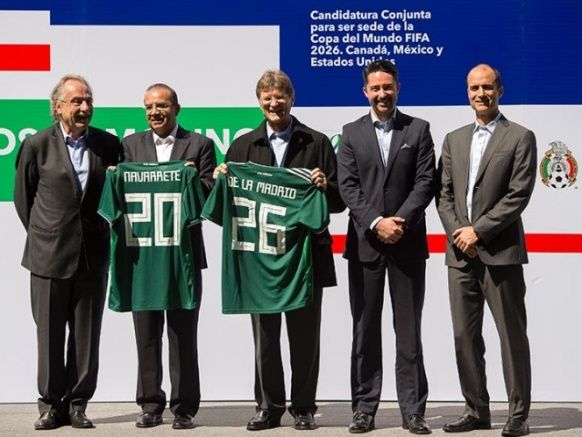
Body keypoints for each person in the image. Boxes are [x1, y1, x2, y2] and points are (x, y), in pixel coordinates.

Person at [213, 69, 344, 431]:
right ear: (259, 102)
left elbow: (339, 202)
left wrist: (326, 185)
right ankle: (268, 407)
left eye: (280, 96)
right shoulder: (243, 145)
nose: (274, 103)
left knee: (305, 339)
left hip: (305, 259)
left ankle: (303, 408)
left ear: (292, 99)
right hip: (259, 259)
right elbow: (224, 209)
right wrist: (220, 181)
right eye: (267, 97)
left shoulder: (317, 142)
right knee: (265, 340)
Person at [14, 74, 122, 430]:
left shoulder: (108, 144)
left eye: (88, 100)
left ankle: (77, 404)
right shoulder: (36, 145)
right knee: (49, 335)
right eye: (77, 101)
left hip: (93, 255)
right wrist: (47, 235)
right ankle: (50, 405)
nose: (85, 107)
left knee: (86, 337)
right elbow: (24, 200)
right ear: (57, 107)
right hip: (48, 256)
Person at [436, 64, 535, 437]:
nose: (481, 94)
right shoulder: (453, 139)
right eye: (475, 88)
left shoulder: (520, 137)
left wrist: (478, 231)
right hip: (460, 255)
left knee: (511, 336)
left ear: (500, 90)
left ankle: (518, 415)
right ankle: (476, 411)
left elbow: (518, 195)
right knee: (464, 337)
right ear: (467, 93)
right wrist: (459, 234)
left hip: (501, 252)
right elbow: (444, 195)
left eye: (488, 87)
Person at [337, 60, 435, 434]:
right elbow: (348, 187)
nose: (382, 94)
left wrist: (399, 221)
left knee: (409, 333)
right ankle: (364, 409)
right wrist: (377, 222)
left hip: (407, 245)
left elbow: (425, 183)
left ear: (398, 88)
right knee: (364, 332)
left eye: (387, 87)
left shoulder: (418, 129)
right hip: (366, 246)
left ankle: (413, 411)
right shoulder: (350, 133)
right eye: (375, 88)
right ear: (365, 91)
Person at [122, 83, 216, 429]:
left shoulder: (200, 145)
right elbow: (121, 192)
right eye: (149, 107)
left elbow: (210, 196)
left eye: (161, 105)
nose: (155, 112)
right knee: (146, 334)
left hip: (183, 257)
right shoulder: (130, 146)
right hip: (144, 256)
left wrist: (191, 179)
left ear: (176, 108)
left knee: (182, 335)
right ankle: (150, 404)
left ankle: (184, 407)